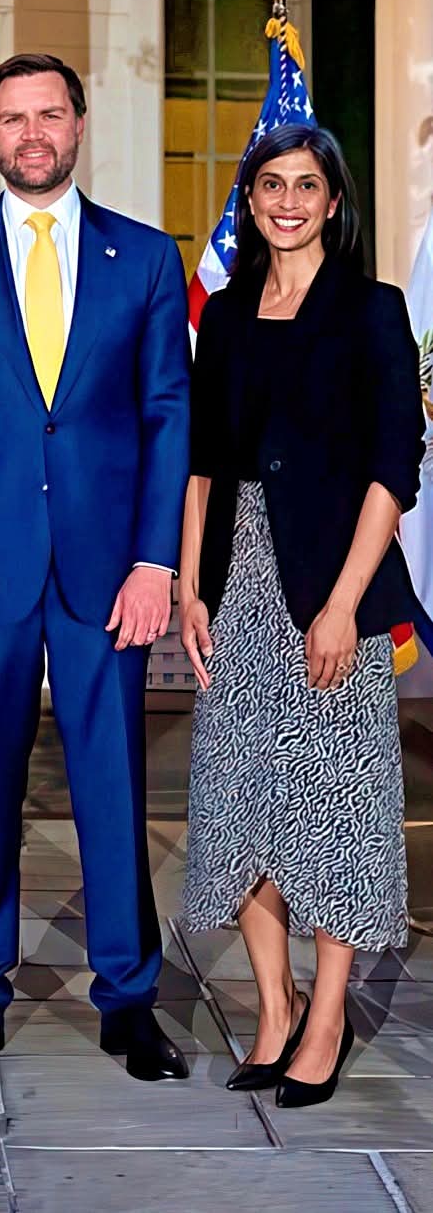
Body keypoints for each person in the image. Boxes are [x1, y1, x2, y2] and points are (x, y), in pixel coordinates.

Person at [0, 53, 192, 1083]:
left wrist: (157, 558)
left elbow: (167, 418)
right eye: (13, 116)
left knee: (112, 786)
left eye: (49, 113)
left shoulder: (147, 260)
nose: (32, 133)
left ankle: (128, 997)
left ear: (77, 125)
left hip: (111, 574)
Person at [180, 123, 424, 1109]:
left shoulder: (371, 312)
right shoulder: (228, 315)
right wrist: (192, 583)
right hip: (234, 587)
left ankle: (326, 1020)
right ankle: (271, 1009)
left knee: (332, 808)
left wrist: (340, 606)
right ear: (248, 199)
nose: (286, 199)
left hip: (333, 587)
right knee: (240, 798)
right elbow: (201, 459)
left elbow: (391, 469)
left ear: (333, 202)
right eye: (268, 184)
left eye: (306, 185)